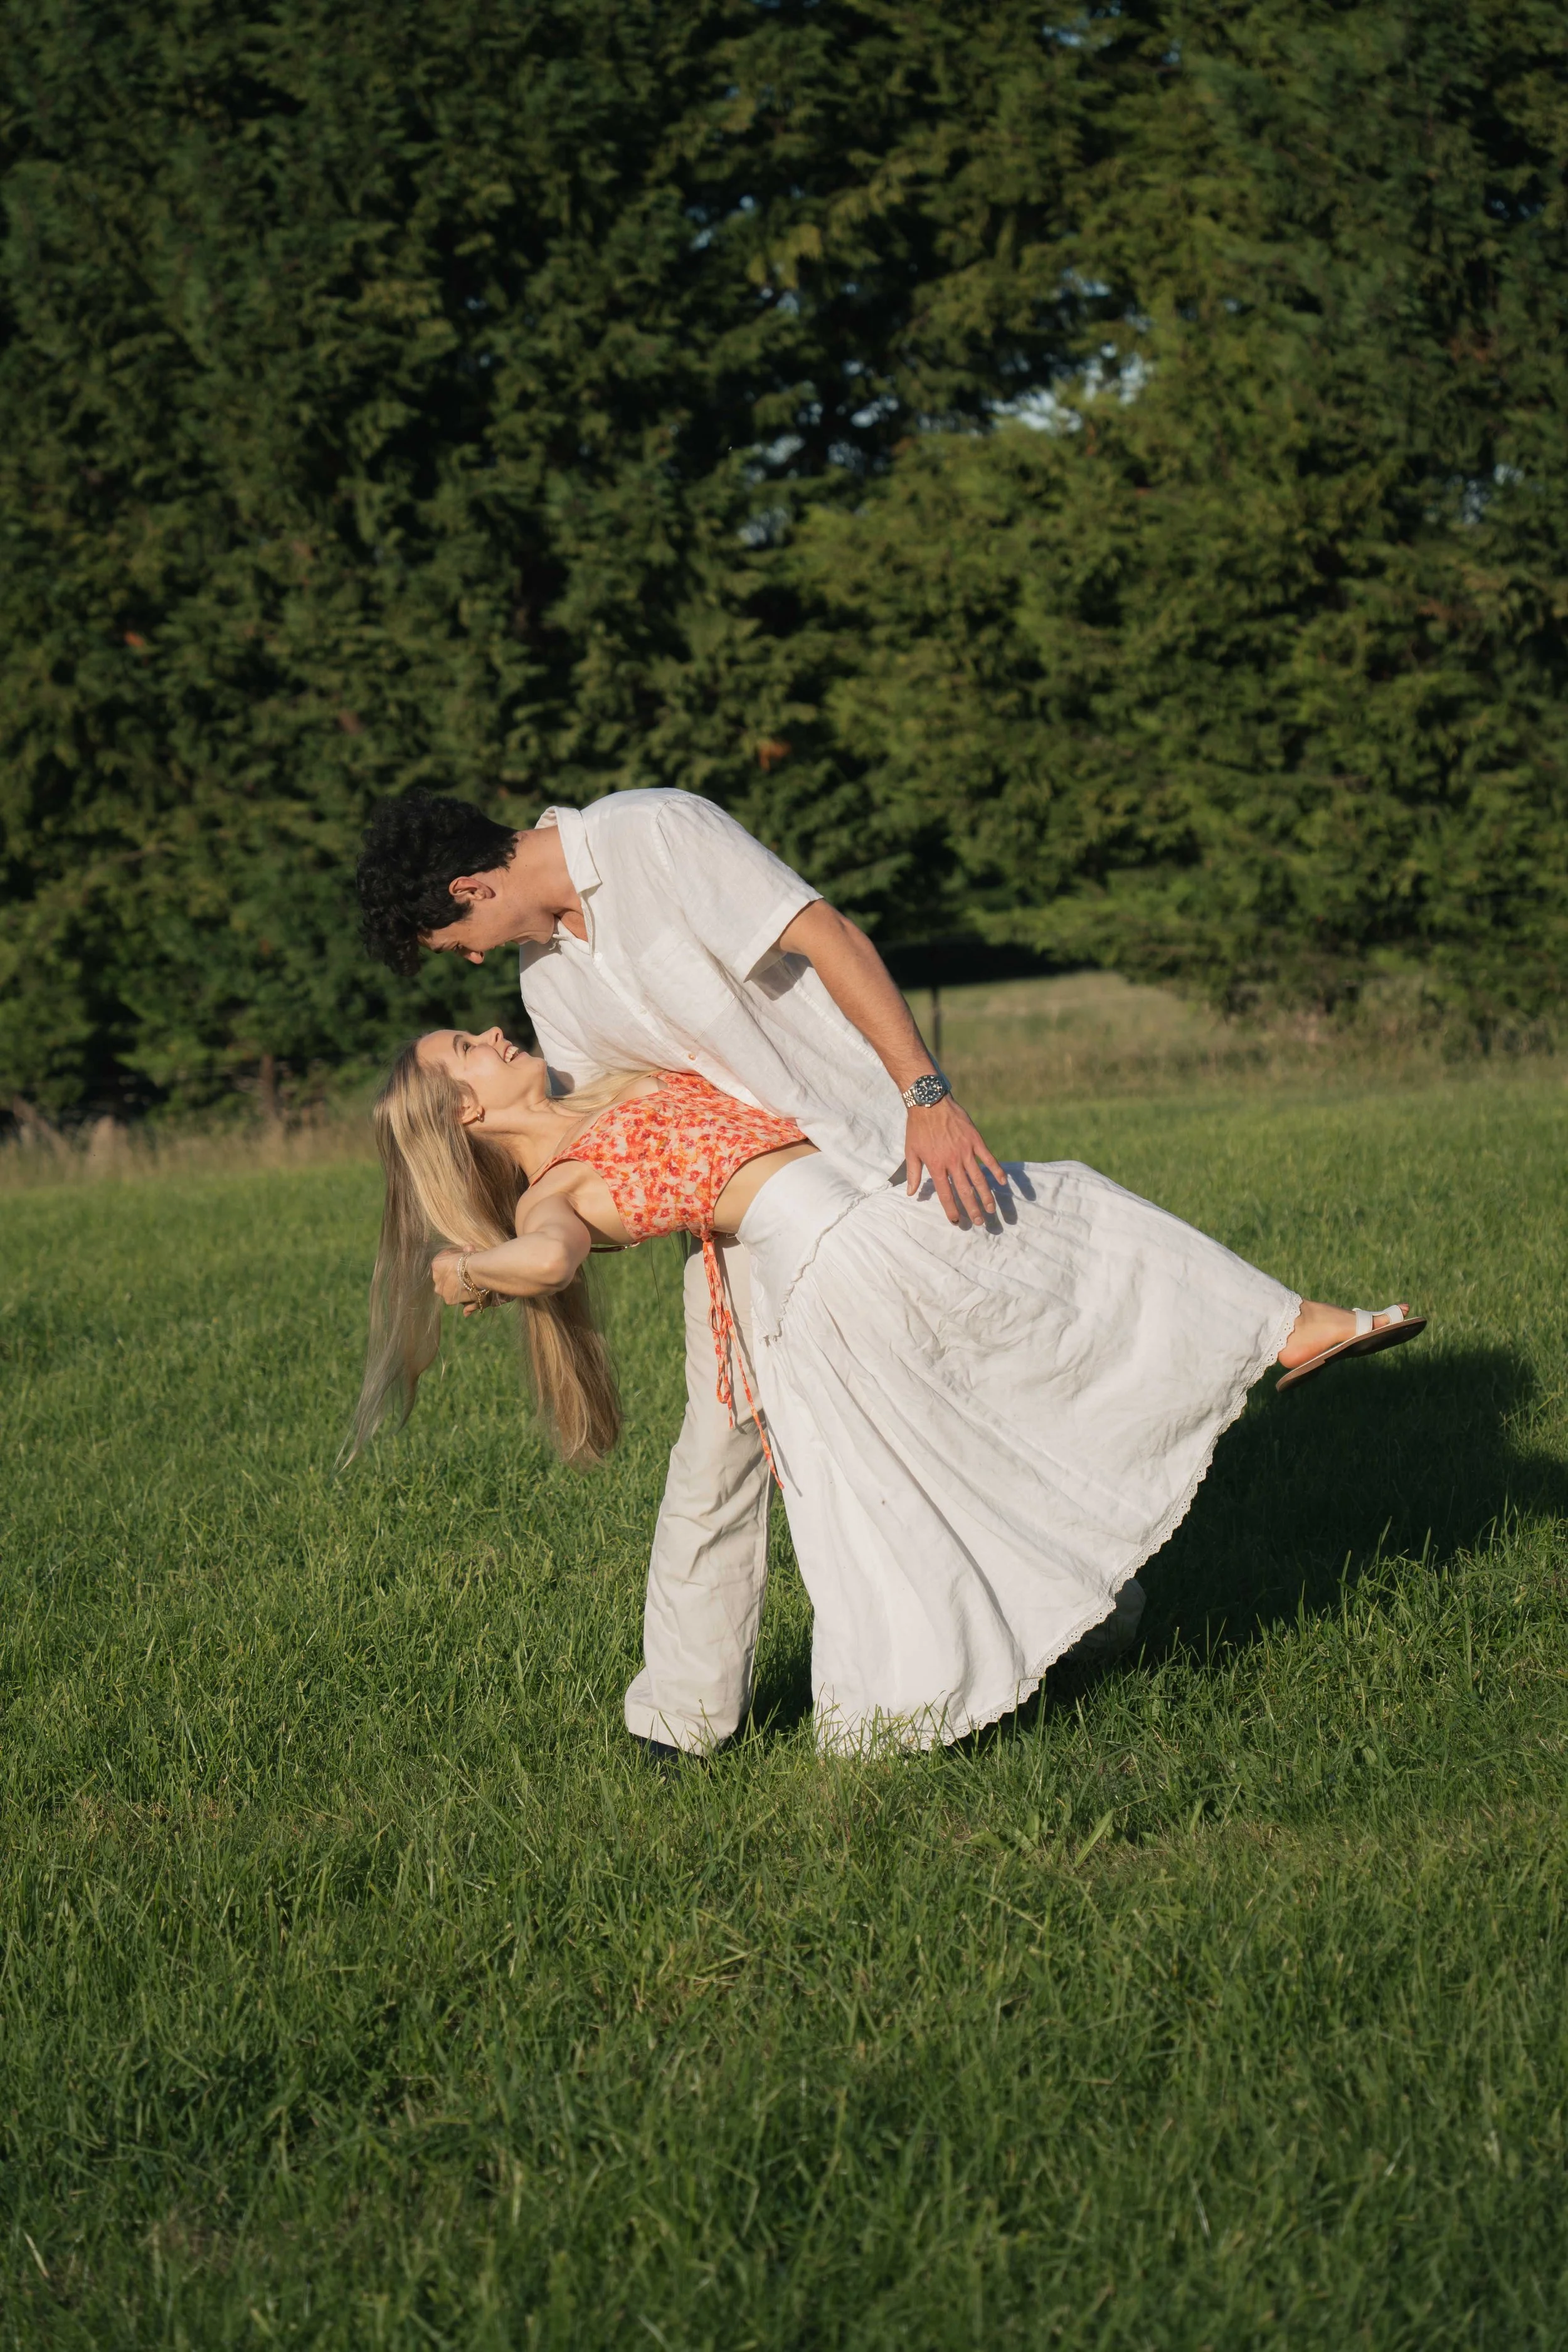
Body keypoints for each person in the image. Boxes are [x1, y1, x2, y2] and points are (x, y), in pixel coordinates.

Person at [348, 1032, 1424, 1754]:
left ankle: (1283, 1340)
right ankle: (1282, 1337)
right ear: (467, 1111)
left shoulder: (614, 1090)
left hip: (865, 1215)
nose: (492, 1035)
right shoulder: (558, 1190)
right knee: (1068, 1251)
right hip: (838, 1255)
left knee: (1044, 1289)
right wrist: (464, 1269)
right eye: (467, 1050)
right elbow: (544, 1264)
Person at [356, 787, 1027, 1758]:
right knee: (723, 1452)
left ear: (470, 888)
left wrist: (924, 1094)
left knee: (934, 1403)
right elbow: (609, 1159)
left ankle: (1067, 1619)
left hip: (864, 1158)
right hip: (744, 1229)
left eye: (453, 939)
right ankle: (681, 1718)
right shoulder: (552, 988)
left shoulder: (653, 835)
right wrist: (507, 1249)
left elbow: (822, 936)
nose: (470, 967)